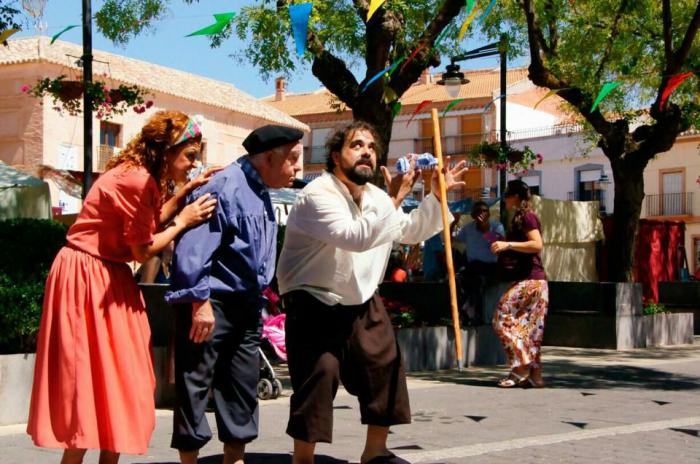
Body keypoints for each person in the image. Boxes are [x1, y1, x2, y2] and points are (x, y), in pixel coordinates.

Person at [27, 110, 218, 464]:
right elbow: (143, 249)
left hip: (107, 274)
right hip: (88, 276)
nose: (195, 163)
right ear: (165, 149)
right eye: (190, 155)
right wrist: (183, 222)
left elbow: (144, 225)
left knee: (118, 381)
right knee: (89, 382)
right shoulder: (137, 180)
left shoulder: (140, 177)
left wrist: (185, 193)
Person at [277, 121, 467, 464]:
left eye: (371, 146)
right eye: (356, 145)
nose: (366, 151)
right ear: (336, 156)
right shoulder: (318, 194)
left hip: (361, 299)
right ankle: (302, 459)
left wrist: (436, 197)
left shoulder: (378, 197)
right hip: (313, 299)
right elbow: (356, 236)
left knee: (386, 365)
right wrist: (395, 198)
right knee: (320, 376)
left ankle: (375, 452)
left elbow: (408, 231)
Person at [165, 124, 304, 464]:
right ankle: (189, 461)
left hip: (246, 304)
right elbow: (193, 251)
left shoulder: (259, 190)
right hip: (211, 303)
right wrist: (200, 303)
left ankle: (235, 459)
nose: (298, 168)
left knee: (242, 383)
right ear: (269, 158)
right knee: (195, 382)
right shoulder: (224, 186)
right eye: (294, 160)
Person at [490, 180, 548, 388]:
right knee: (531, 330)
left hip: (531, 280)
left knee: (501, 317)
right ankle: (535, 375)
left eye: (506, 195)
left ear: (515, 197)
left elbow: (536, 244)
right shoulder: (519, 218)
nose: (504, 199)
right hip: (535, 280)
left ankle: (521, 365)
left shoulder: (527, 217)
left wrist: (508, 244)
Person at [454, 201, 504, 324]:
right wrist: (453, 223)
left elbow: (499, 247)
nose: (481, 214)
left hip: (490, 266)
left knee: (478, 281)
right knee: (458, 279)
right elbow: (452, 238)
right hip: (472, 266)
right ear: (473, 215)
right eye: (478, 211)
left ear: (489, 213)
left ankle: (475, 314)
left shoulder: (496, 226)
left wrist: (485, 230)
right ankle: (464, 312)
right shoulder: (468, 228)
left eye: (484, 211)